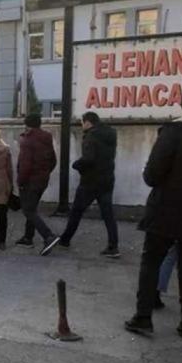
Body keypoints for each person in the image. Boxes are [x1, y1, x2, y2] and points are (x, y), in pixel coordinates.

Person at [124, 91, 182, 338]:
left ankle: (143, 317)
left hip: (167, 210)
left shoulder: (173, 133)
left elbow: (152, 175)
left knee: (151, 261)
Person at [57, 111, 120, 258]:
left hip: (90, 181)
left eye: (82, 122)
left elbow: (89, 159)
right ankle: (113, 246)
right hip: (107, 179)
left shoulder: (91, 136)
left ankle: (65, 240)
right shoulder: (110, 134)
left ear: (88, 123)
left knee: (76, 212)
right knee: (108, 214)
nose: (81, 125)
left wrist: (76, 165)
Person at [14, 114, 61, 256]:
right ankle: (28, 238)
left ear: (26, 125)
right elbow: (53, 160)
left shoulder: (28, 141)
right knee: (32, 208)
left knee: (28, 210)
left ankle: (48, 236)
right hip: (42, 180)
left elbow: (25, 165)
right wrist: (44, 173)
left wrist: (20, 182)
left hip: (30, 181)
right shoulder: (46, 138)